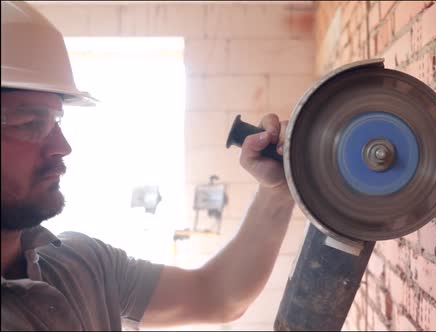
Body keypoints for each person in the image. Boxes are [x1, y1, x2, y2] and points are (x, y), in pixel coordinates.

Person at [1, 1, 294, 330]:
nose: (62, 147)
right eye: (30, 124)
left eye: (56, 121)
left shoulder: (83, 266)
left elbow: (218, 295)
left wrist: (279, 189)